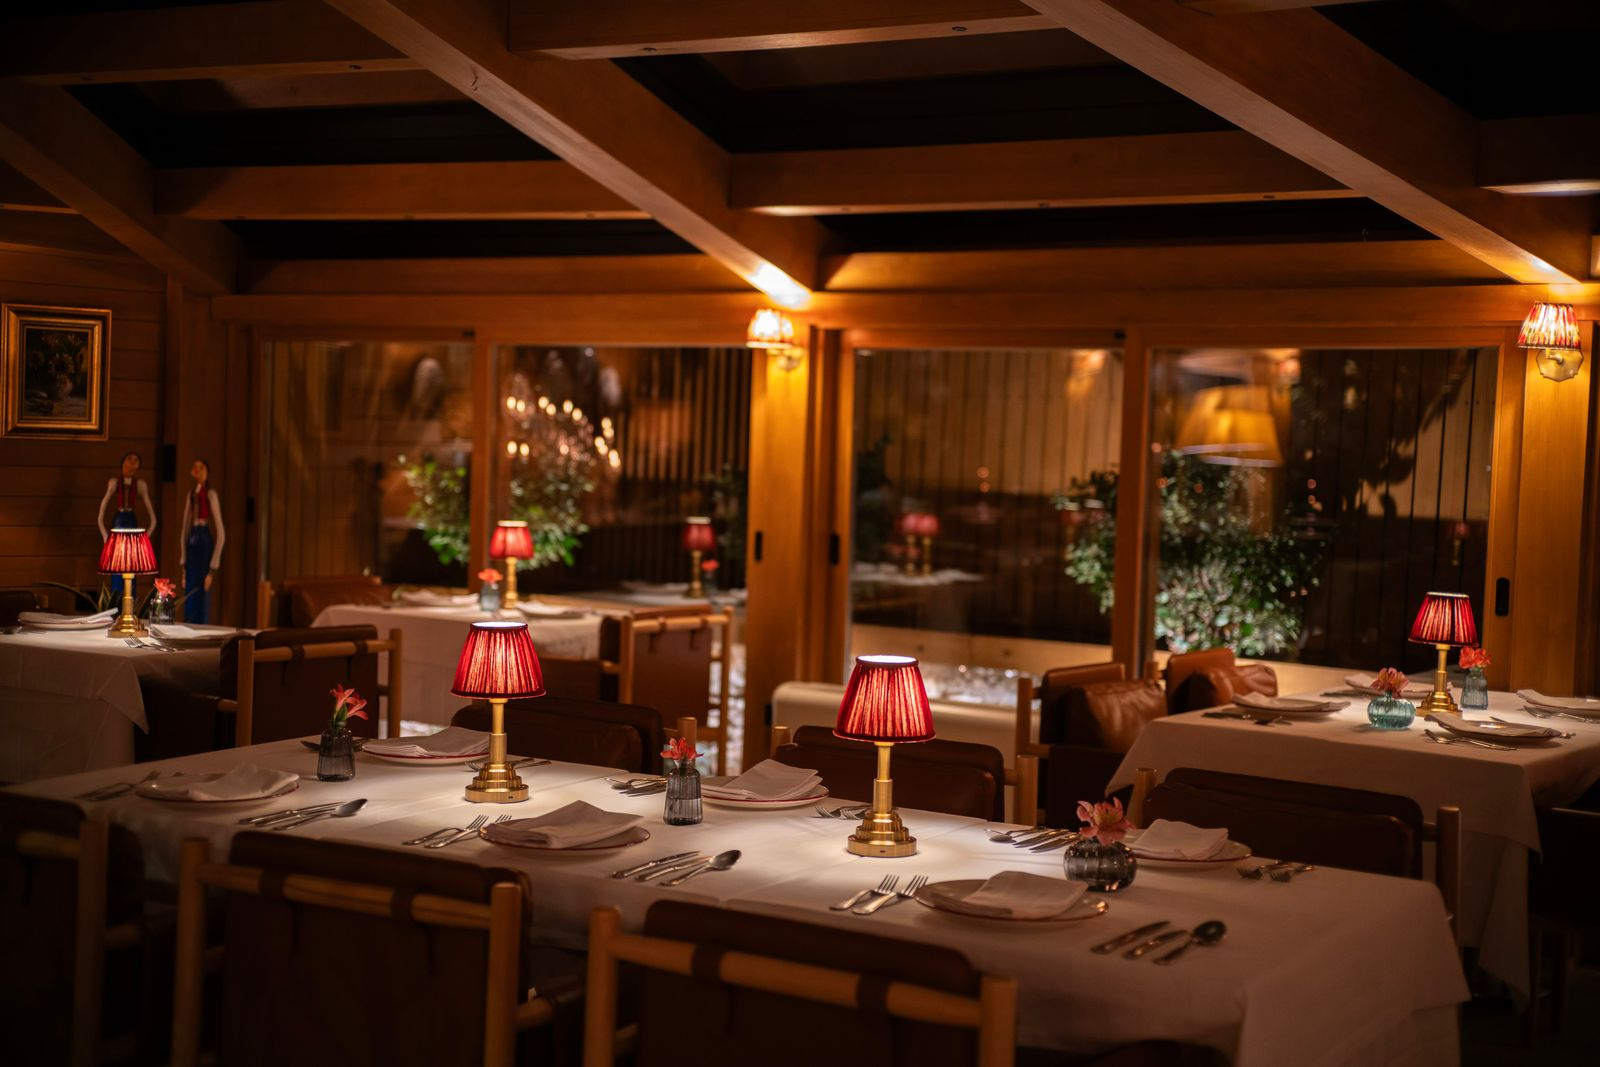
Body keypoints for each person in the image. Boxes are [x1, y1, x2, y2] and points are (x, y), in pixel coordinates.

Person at [98, 451, 157, 596]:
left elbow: (153, 519)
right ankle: (117, 601)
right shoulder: (114, 483)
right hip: (118, 523)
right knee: (116, 564)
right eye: (129, 459)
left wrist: (145, 539)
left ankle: (130, 600)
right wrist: (105, 536)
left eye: (136, 460)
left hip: (131, 523)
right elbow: (101, 514)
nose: (132, 462)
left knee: (131, 564)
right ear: (123, 462)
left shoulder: (140, 485)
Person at [179, 459, 225, 624]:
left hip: (204, 541)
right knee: (190, 589)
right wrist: (183, 563)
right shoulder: (191, 494)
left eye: (201, 467)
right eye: (195, 467)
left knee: (202, 590)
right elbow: (184, 527)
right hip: (192, 540)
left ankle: (200, 624)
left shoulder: (211, 494)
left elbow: (221, 532)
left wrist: (212, 569)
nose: (197, 470)